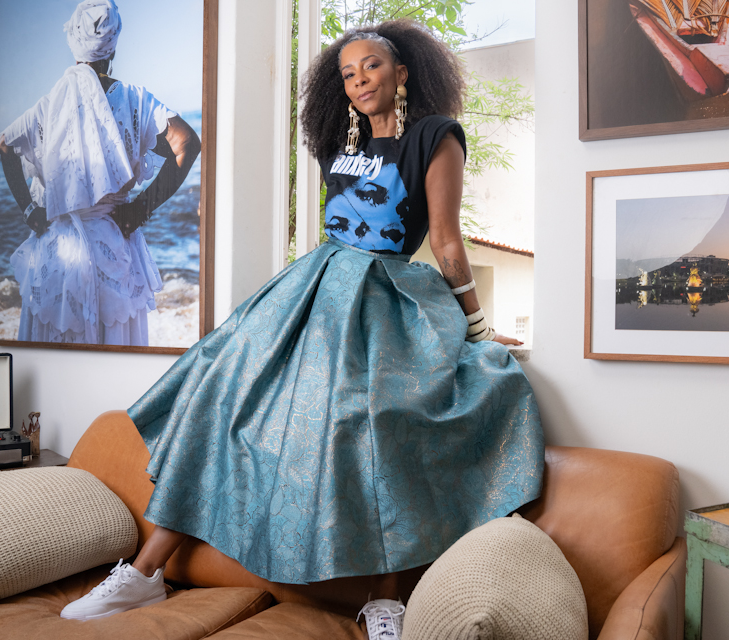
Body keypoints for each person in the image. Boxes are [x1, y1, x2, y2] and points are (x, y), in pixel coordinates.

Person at [60, 19, 544, 639]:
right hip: (308, 291)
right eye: (347, 73)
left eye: (372, 66)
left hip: (382, 297)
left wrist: (476, 330)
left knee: (376, 426)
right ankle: (144, 572)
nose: (359, 80)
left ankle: (385, 600)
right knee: (221, 394)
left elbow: (447, 241)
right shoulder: (336, 143)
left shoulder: (435, 136)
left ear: (401, 73)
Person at [0, 0, 200, 346]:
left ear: (75, 44)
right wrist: (140, 208)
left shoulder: (49, 106)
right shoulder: (135, 100)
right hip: (115, 252)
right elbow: (187, 143)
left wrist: (30, 210)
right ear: (113, 47)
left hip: (60, 259)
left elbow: (5, 145)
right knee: (114, 362)